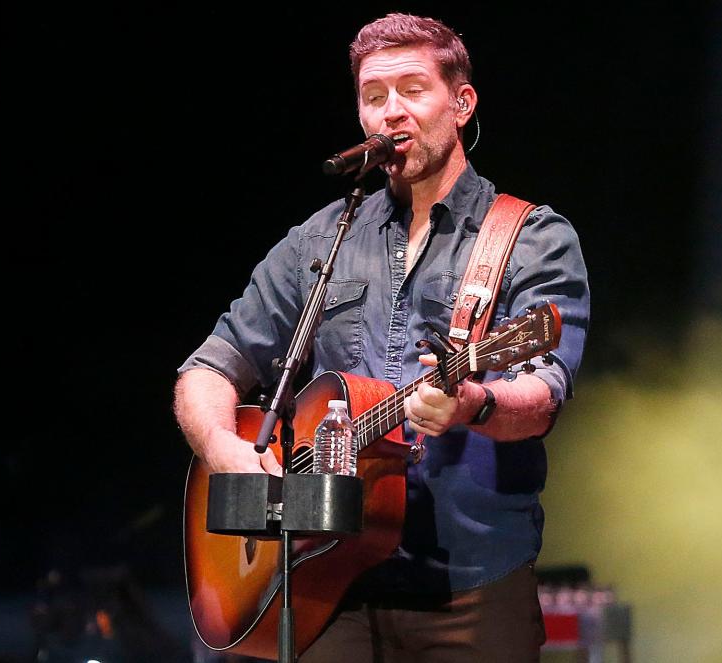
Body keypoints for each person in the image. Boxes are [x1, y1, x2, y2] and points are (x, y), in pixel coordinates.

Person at [174, 12, 590, 662]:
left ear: (460, 102)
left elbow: (541, 393)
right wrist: (225, 448)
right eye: (374, 96)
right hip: (320, 580)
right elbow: (207, 368)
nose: (390, 112)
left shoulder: (529, 238)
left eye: (411, 89)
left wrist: (473, 402)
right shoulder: (321, 238)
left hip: (469, 588)